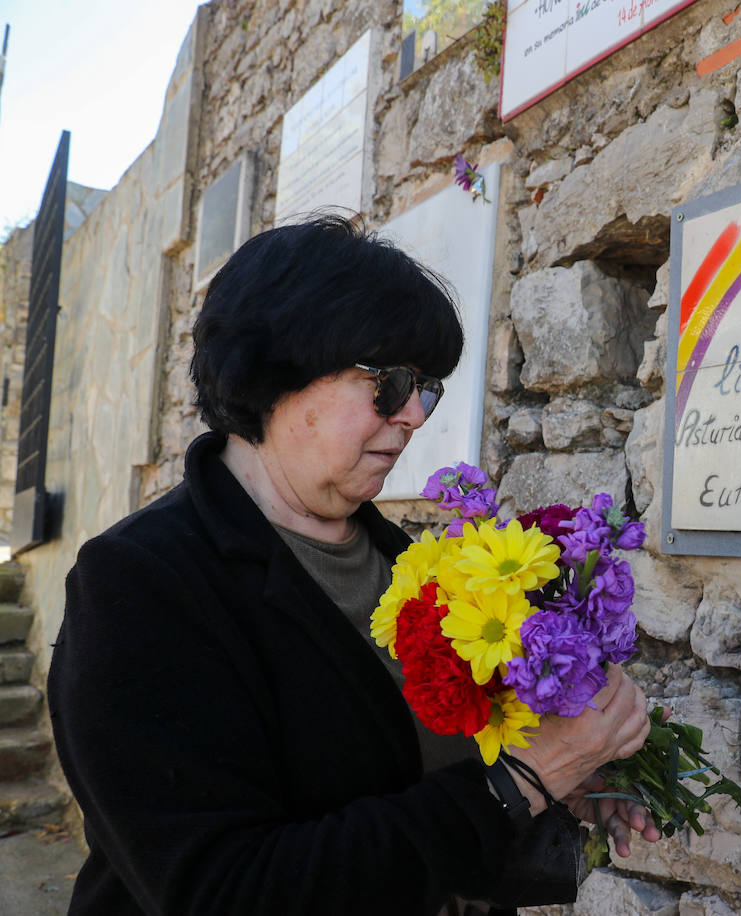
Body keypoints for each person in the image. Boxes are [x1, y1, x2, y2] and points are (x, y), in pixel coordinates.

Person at [47, 214, 659, 916]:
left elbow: (426, 784)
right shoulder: (139, 584)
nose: (415, 415)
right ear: (274, 371)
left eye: (426, 386)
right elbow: (223, 891)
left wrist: (568, 781)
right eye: (388, 381)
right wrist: (521, 781)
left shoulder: (413, 564)